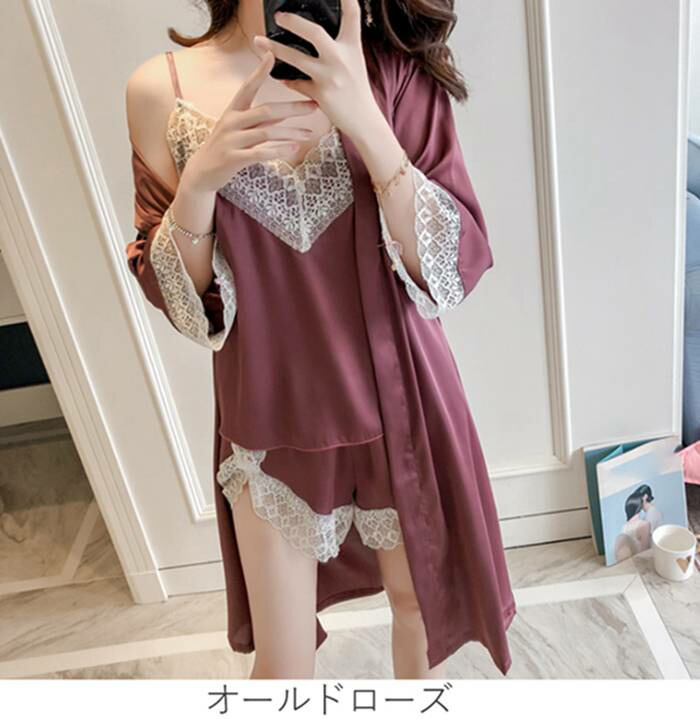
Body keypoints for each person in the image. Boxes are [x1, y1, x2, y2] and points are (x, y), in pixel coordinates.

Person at [125, 0, 516, 679]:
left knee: (419, 615)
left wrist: (363, 115)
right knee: (283, 665)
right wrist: (200, 182)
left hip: (405, 401)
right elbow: (188, 309)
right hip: (269, 419)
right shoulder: (162, 90)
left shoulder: (392, 66)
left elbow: (451, 269)